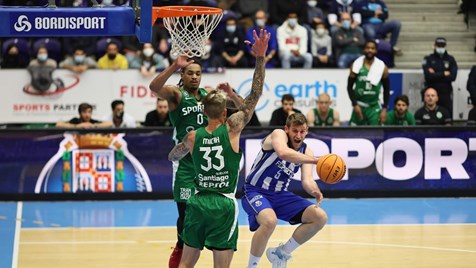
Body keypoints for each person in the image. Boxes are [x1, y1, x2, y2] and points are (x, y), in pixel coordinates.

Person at [167, 29, 270, 268]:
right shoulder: (232, 128)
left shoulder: (192, 137)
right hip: (223, 204)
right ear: (225, 113)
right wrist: (260, 58)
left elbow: (174, 155)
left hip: (198, 201)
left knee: (185, 264)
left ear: (203, 112)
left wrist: (179, 151)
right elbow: (255, 95)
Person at [149, 45, 245, 268]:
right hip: (185, 165)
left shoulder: (208, 96)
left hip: (208, 164)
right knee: (185, 219)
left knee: (207, 216)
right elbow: (154, 87)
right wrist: (174, 65)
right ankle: (181, 251)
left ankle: (202, 252)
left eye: (198, 73)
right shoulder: (176, 94)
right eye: (190, 72)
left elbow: (244, 109)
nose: (194, 76)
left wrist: (232, 94)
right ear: (183, 75)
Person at [242, 112, 327, 268]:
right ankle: (251, 266)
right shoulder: (278, 135)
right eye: (295, 131)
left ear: (307, 131)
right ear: (287, 129)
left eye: (302, 131)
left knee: (320, 217)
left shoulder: (306, 151)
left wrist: (315, 190)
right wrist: (316, 161)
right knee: (269, 221)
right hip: (255, 191)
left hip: (280, 195)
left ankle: (280, 253)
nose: (298, 135)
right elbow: (283, 153)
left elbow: (307, 180)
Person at [347, 40, 390, 125]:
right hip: (359, 105)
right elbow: (349, 87)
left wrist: (384, 108)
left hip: (374, 107)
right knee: (353, 135)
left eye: (372, 48)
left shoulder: (382, 67)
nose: (370, 50)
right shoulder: (356, 65)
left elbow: (386, 89)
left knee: (375, 135)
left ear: (376, 51)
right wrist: (355, 104)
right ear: (363, 50)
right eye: (367, 48)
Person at [422, 37, 458, 117]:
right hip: (431, 92)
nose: (440, 48)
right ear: (434, 46)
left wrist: (435, 74)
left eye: (442, 46)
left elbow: (453, 77)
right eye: (438, 45)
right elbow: (428, 76)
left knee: (447, 116)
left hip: (445, 93)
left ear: (445, 46)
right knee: (428, 116)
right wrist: (443, 74)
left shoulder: (451, 59)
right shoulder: (428, 58)